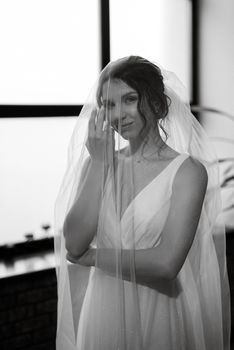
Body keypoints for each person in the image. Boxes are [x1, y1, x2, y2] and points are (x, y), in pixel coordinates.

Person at [54, 56, 230, 350]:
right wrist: (99, 163)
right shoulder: (96, 165)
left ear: (158, 104)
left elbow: (166, 263)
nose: (117, 114)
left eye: (129, 99)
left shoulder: (187, 171)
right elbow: (74, 243)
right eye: (108, 104)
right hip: (102, 313)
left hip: (159, 312)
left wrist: (94, 257)